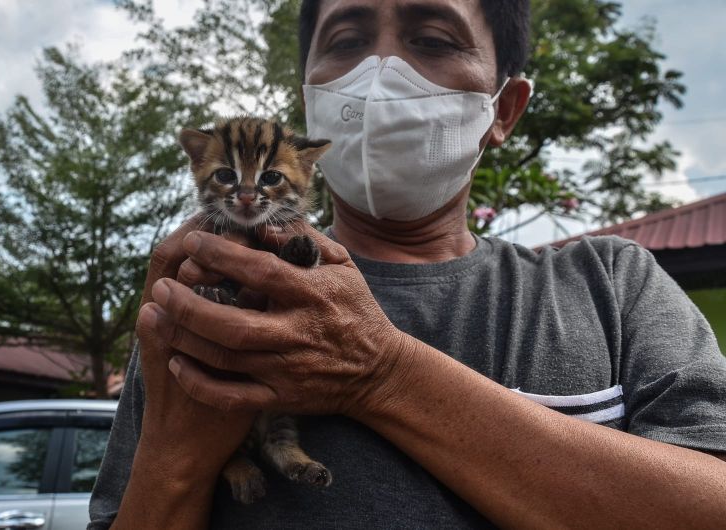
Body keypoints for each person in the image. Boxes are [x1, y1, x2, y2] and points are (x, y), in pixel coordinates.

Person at [88, 1, 726, 528]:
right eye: (346, 40)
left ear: (503, 109)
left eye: (432, 38)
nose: (379, 72)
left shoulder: (612, 285)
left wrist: (383, 373)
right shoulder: (211, 304)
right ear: (310, 99)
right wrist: (175, 454)